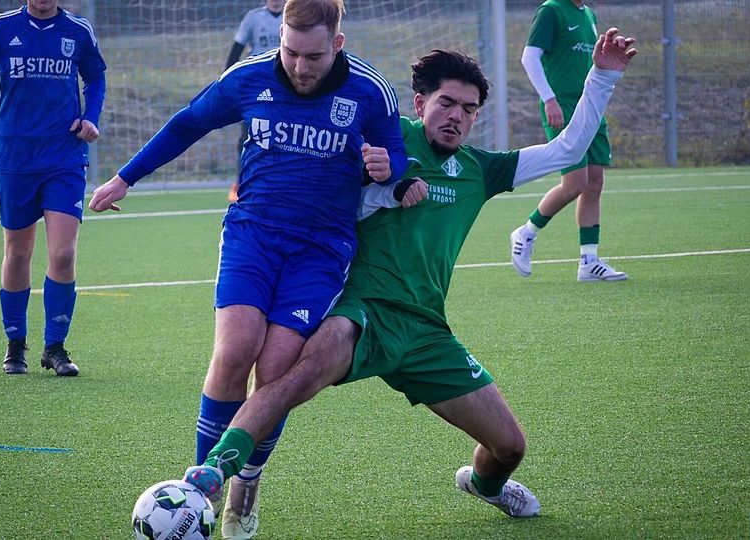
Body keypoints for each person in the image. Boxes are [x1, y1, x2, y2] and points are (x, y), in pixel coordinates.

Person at [182, 29, 636, 521]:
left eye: (468, 108)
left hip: (425, 332)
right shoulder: (381, 136)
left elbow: (569, 151)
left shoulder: (480, 169)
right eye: (446, 102)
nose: (456, 115)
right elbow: (319, 186)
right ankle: (218, 474)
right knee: (295, 376)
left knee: (509, 446)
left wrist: (603, 76)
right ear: (420, 103)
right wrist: (376, 180)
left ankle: (485, 486)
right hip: (362, 312)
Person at [89, 1, 406, 537]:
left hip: (322, 250)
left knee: (276, 370)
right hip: (252, 235)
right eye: (290, 51)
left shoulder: (370, 91)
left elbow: (396, 157)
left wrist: (387, 167)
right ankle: (199, 490)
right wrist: (125, 178)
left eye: (314, 56)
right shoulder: (249, 78)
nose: (301, 67)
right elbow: (187, 123)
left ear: (339, 44)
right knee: (235, 350)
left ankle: (245, 484)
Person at [0, 0, 106, 376]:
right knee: (18, 252)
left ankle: (54, 347)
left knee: (64, 254)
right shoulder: (2, 28)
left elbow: (96, 78)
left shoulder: (78, 31)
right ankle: (15, 345)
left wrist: (90, 117)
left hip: (64, 158)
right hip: (16, 159)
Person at [510, 0, 627, 282]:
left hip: (592, 106)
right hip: (562, 105)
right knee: (575, 183)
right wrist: (549, 99)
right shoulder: (551, 10)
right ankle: (526, 233)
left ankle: (589, 261)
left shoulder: (588, 14)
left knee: (595, 183)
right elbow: (530, 56)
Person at [225, 0, 285, 203]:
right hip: (256, 85)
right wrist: (228, 80)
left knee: (286, 133)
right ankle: (240, 182)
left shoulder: (295, 15)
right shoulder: (253, 18)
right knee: (248, 134)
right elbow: (236, 50)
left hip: (287, 86)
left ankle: (281, 181)